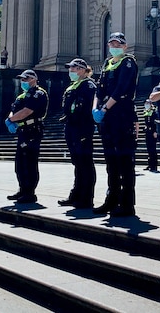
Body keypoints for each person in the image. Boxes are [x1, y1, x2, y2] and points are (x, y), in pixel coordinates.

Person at [92, 32, 139, 217]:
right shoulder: (107, 64)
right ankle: (111, 200)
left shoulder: (128, 62)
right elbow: (99, 89)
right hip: (107, 117)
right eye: (111, 43)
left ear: (125, 46)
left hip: (122, 114)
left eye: (118, 44)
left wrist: (104, 109)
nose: (114, 46)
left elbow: (121, 89)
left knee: (125, 162)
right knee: (111, 161)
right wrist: (96, 108)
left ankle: (127, 204)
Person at [58, 58, 97, 209]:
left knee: (85, 162)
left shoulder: (88, 85)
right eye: (70, 68)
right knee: (77, 163)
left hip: (83, 127)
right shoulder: (73, 86)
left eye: (73, 68)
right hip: (71, 126)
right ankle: (76, 194)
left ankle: (86, 197)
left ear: (82, 70)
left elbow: (89, 107)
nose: (71, 71)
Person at [5, 69, 49, 203]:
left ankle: (30, 192)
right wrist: (10, 119)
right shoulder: (22, 96)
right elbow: (14, 110)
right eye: (22, 79)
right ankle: (22, 189)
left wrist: (11, 120)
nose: (23, 81)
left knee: (29, 161)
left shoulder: (38, 94)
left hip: (33, 129)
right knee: (20, 162)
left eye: (25, 79)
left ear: (33, 79)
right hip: (23, 130)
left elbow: (26, 111)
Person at [141, 100, 158, 172]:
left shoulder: (154, 111)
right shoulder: (145, 112)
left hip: (152, 132)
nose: (146, 104)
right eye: (146, 103)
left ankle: (154, 165)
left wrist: (155, 131)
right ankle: (150, 164)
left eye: (148, 103)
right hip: (147, 132)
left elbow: (156, 122)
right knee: (148, 148)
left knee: (153, 149)